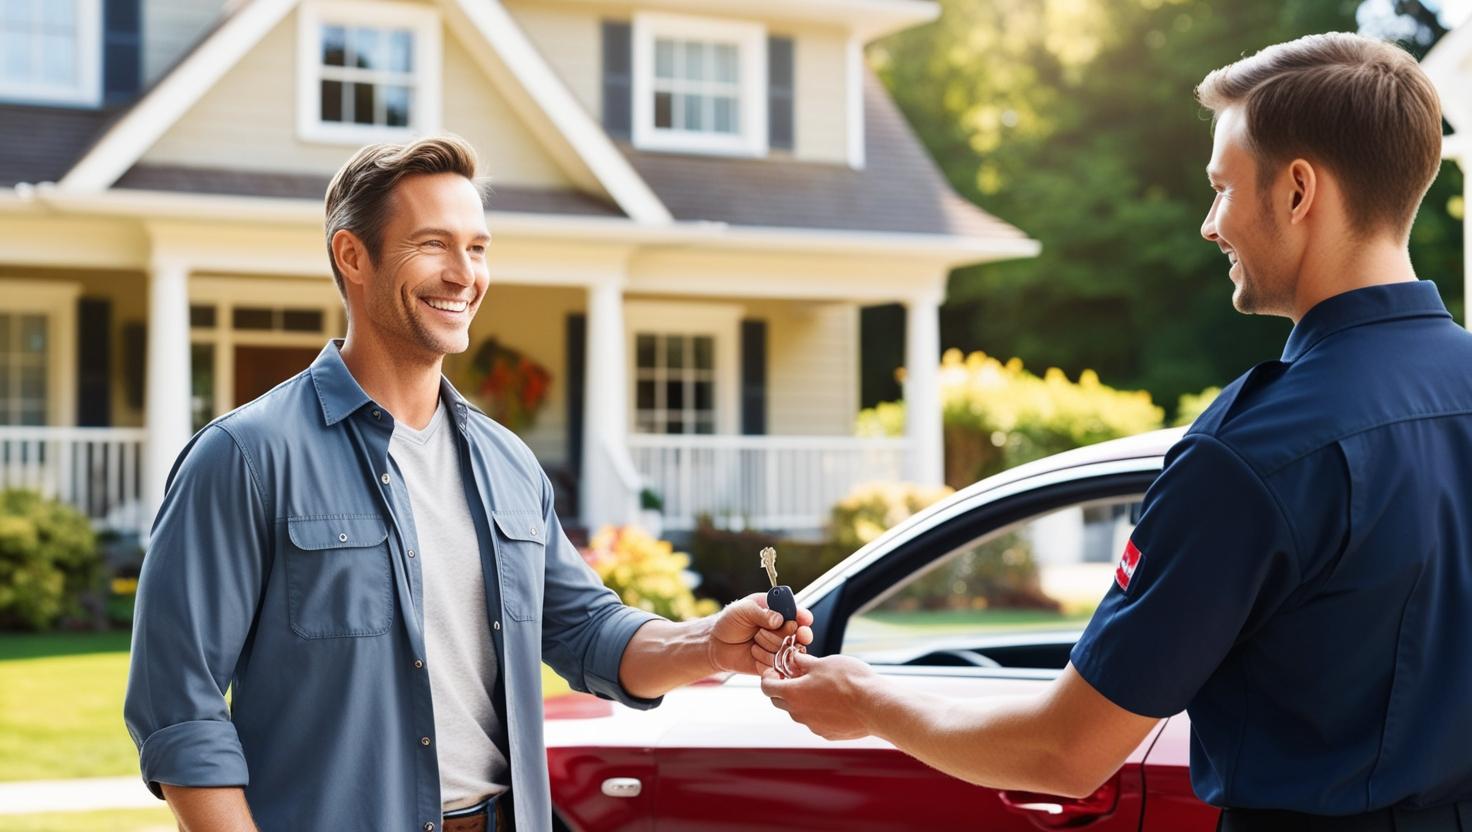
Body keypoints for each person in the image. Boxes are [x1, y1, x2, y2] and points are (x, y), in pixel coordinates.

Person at [762, 32, 1472, 831]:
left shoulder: (1252, 454)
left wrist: (864, 697)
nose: (1211, 225)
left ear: (1299, 191)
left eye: (1222, 188)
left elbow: (1066, 751)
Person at [125, 136, 812, 832]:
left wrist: (708, 645)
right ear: (352, 256)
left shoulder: (507, 463)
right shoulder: (244, 457)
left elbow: (588, 632)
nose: (464, 275)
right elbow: (178, 709)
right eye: (433, 245)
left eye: (477, 248)